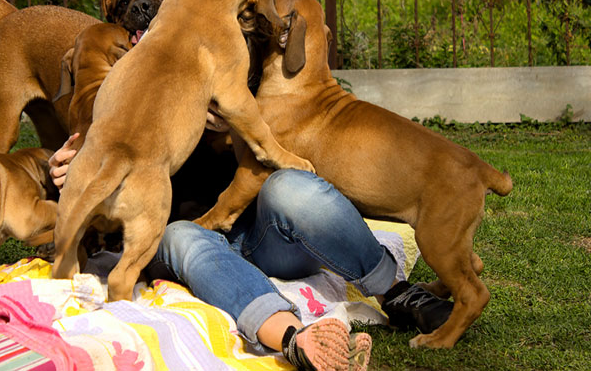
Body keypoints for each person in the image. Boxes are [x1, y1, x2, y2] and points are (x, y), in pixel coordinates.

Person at [48, 119, 452, 371]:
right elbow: (90, 181)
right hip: (179, 242)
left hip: (259, 234)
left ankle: (397, 293)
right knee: (182, 234)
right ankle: (297, 341)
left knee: (290, 187)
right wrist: (70, 175)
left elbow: (306, 148)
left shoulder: (244, 80)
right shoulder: (130, 96)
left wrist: (239, 124)